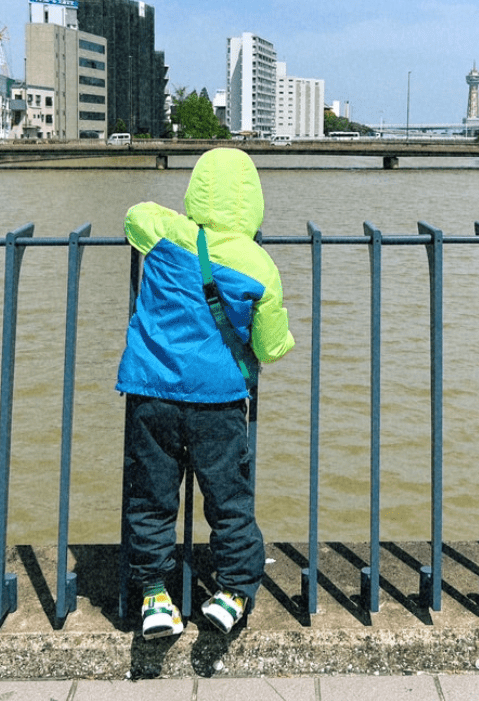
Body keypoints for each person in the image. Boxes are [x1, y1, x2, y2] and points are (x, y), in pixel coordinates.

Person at [117, 147, 295, 639]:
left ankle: (154, 595)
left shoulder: (166, 231)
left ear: (196, 190)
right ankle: (234, 592)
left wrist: (182, 221)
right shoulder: (259, 264)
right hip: (218, 401)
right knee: (229, 499)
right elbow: (270, 346)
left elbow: (134, 217)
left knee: (150, 496)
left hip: (151, 391)